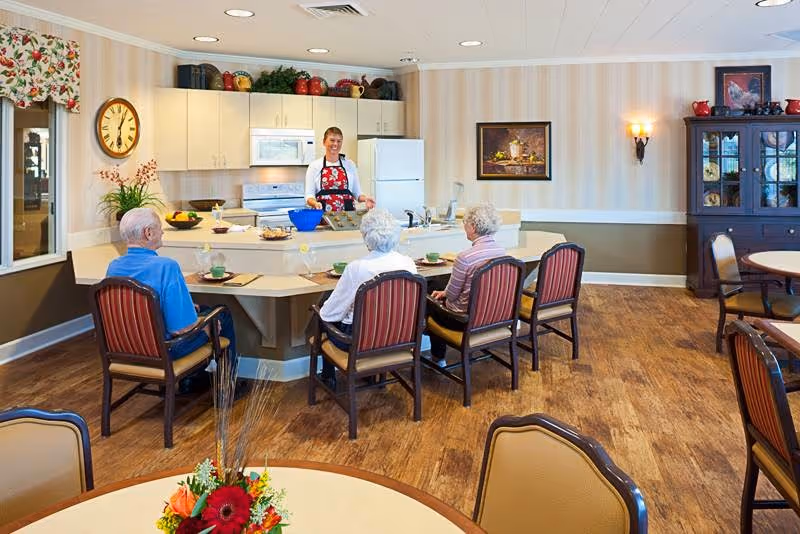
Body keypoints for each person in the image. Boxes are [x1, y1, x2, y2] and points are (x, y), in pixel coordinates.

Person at [106, 208, 236, 364]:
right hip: (166, 349)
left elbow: (135, 307)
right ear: (148, 233)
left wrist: (186, 308)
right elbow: (180, 329)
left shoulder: (113, 266)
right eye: (159, 228)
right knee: (221, 314)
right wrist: (205, 325)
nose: (162, 232)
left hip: (124, 347)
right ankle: (227, 384)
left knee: (203, 309)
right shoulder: (166, 266)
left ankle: (193, 381)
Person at [316, 208, 416, 385]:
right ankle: (370, 375)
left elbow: (330, 313)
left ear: (365, 236)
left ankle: (328, 376)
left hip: (359, 342)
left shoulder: (357, 268)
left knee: (323, 314)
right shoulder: (407, 263)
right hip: (399, 336)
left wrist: (321, 312)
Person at [427, 203, 505, 366]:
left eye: (465, 223)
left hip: (462, 320)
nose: (464, 226)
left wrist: (443, 294)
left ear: (474, 226)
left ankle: (437, 356)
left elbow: (453, 296)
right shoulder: (501, 252)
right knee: (438, 287)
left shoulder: (465, 257)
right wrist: (445, 292)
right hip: (491, 315)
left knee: (427, 294)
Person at [305, 126, 375, 212]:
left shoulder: (350, 165)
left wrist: (366, 199)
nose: (335, 144)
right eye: (332, 140)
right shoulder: (314, 166)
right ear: (324, 142)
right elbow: (309, 196)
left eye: (339, 141)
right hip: (323, 218)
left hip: (348, 219)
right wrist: (315, 203)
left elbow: (357, 193)